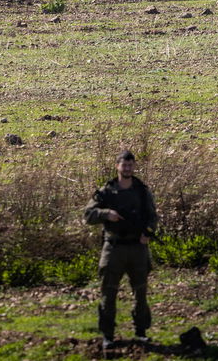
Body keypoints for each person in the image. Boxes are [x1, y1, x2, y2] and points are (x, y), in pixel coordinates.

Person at [84, 150, 158, 349]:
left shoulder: (142, 191)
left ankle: (141, 332)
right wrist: (106, 214)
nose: (127, 168)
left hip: (137, 248)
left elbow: (153, 217)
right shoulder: (107, 191)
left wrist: (148, 233)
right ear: (117, 166)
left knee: (140, 292)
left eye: (130, 165)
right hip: (114, 247)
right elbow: (88, 214)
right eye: (123, 165)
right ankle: (108, 335)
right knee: (108, 293)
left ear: (134, 166)